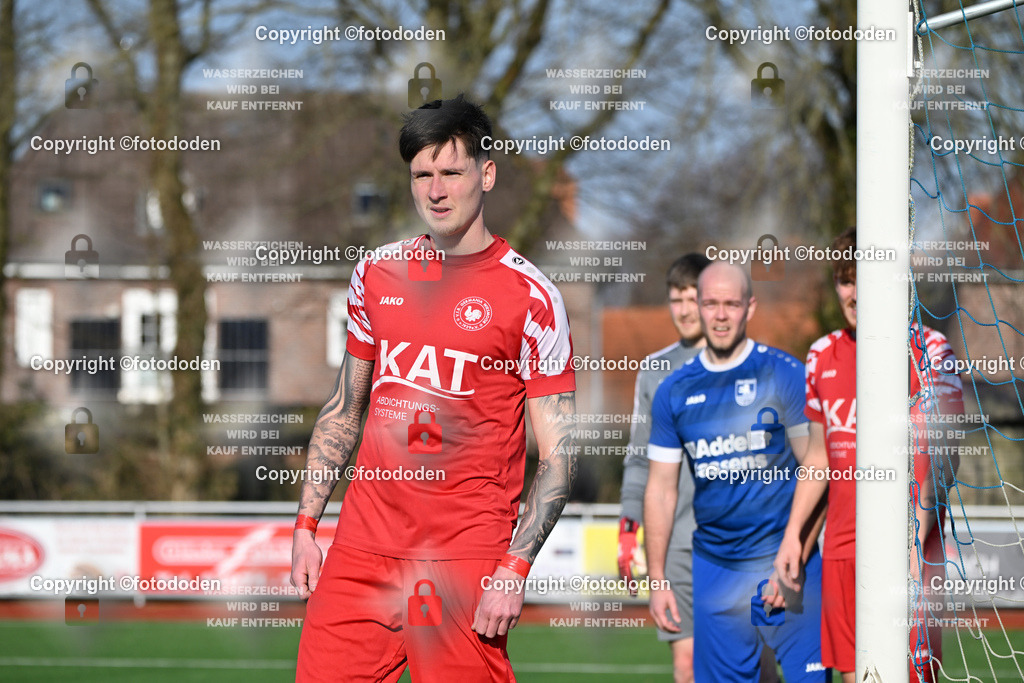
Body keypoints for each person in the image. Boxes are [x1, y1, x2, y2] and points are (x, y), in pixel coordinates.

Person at [290, 95, 578, 683]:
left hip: (462, 559)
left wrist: (514, 568)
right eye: (422, 175)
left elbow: (560, 455)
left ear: (486, 175)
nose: (436, 190)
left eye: (451, 172)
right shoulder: (376, 273)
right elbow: (344, 408)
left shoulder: (533, 299)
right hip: (362, 549)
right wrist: (305, 526)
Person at [771, 226, 964, 683]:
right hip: (842, 551)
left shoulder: (930, 351)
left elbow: (945, 458)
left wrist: (915, 535)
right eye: (845, 280)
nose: (854, 293)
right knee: (855, 676)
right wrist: (793, 536)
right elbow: (819, 457)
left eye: (864, 279)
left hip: (911, 549)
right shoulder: (821, 355)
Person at [645, 261, 828, 683]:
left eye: (731, 304)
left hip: (787, 560)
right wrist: (657, 579)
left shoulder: (785, 373)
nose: (721, 315)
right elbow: (660, 491)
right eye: (711, 303)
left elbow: (818, 469)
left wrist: (795, 555)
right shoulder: (674, 390)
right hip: (715, 569)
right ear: (698, 305)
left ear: (750, 307)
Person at [618, 253, 708, 683]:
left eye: (693, 298)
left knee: (754, 666)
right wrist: (628, 526)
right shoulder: (655, 371)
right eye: (677, 299)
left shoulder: (748, 364)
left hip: (738, 542)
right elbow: (639, 458)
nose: (685, 310)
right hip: (674, 542)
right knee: (686, 666)